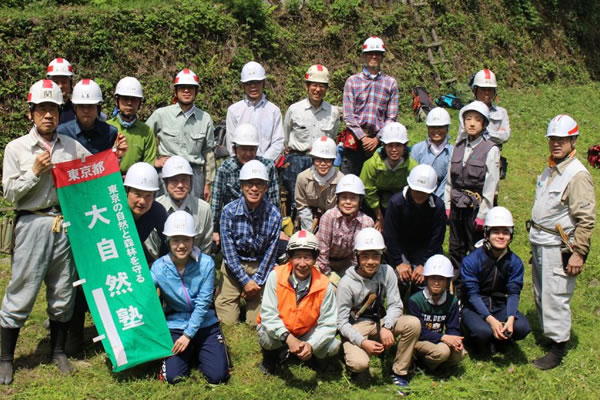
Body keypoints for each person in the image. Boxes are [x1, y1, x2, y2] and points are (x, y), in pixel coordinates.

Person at [1, 80, 91, 384]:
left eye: (53, 109)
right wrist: (34, 172)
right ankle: (5, 358)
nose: (48, 115)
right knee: (22, 289)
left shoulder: (71, 146)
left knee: (63, 289)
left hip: (64, 225)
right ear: (31, 114)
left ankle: (58, 352)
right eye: (42, 109)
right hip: (31, 223)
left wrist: (113, 157)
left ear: (59, 112)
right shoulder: (17, 148)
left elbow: (91, 172)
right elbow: (10, 194)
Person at [529, 115, 595, 370]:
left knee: (556, 294)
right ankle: (549, 334)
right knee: (542, 291)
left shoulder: (577, 175)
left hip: (559, 245)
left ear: (573, 140)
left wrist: (578, 253)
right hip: (540, 240)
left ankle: (558, 348)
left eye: (562, 139)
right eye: (553, 139)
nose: (556, 143)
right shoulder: (550, 169)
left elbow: (586, 219)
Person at [151, 211, 230, 384]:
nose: (181, 245)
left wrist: (188, 335)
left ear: (193, 240)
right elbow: (145, 294)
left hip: (205, 324)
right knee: (173, 378)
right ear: (168, 241)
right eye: (175, 240)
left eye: (186, 239)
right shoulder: (158, 267)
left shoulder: (206, 263)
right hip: (175, 324)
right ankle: (191, 353)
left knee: (218, 377)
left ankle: (197, 350)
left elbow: (203, 303)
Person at [337, 228, 420, 389]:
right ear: (357, 257)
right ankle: (350, 350)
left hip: (379, 321)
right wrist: (362, 342)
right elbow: (341, 322)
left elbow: (396, 304)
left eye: (375, 256)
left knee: (413, 323)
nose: (370, 261)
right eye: (365, 256)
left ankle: (399, 371)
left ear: (381, 256)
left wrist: (387, 326)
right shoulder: (346, 283)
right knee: (360, 364)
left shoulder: (387, 271)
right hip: (356, 326)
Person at [257, 230, 340, 374]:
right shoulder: (275, 275)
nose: (302, 263)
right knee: (266, 336)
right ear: (290, 258)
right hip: (281, 330)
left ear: (314, 259)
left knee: (333, 345)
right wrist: (288, 338)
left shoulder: (325, 284)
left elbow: (328, 323)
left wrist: (311, 345)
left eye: (307, 257)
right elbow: (268, 314)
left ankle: (309, 355)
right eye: (297, 257)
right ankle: (271, 358)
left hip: (307, 331)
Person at [216, 160, 281, 325]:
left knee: (255, 323)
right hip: (233, 266)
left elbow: (271, 253)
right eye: (249, 183)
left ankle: (255, 297)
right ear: (241, 186)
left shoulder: (274, 215)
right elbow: (228, 253)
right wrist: (245, 281)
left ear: (266, 187)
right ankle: (227, 293)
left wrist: (256, 282)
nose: (254, 188)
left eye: (259, 184)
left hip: (260, 266)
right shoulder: (228, 212)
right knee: (228, 321)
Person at [461, 207, 531, 355]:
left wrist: (510, 318)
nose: (501, 236)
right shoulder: (472, 260)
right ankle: (479, 340)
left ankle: (502, 338)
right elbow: (472, 295)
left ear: (511, 235)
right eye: (496, 232)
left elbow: (513, 293)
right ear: (486, 234)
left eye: (505, 232)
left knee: (522, 327)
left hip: (500, 305)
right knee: (482, 332)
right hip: (474, 307)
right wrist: (490, 320)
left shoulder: (515, 262)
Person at [445, 101, 500, 271]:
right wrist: (447, 205)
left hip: (475, 208)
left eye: (477, 119)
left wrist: (483, 214)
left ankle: (474, 291)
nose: (472, 123)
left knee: (476, 249)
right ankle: (457, 289)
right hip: (456, 206)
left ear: (483, 124)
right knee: (455, 248)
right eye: (468, 119)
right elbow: (450, 179)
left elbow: (491, 185)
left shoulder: (490, 149)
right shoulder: (458, 147)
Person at [146, 68, 216, 200]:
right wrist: (153, 161)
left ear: (196, 91)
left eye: (190, 88)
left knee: (193, 215)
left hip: (194, 175)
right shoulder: (161, 114)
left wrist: (208, 183)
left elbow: (209, 153)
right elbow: (144, 138)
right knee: (164, 213)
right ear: (176, 91)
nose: (186, 91)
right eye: (182, 87)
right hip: (167, 174)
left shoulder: (205, 118)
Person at [210, 123, 279, 247]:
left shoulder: (268, 167)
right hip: (234, 222)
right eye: (243, 149)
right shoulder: (225, 168)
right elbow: (216, 200)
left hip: (261, 221)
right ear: (235, 149)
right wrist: (214, 229)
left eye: (251, 149)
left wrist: (278, 228)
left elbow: (274, 200)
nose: (248, 153)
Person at [281, 64, 340, 207]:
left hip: (321, 162)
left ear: (326, 89)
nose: (318, 89)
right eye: (314, 85)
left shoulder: (332, 112)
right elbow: (285, 136)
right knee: (294, 203)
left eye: (322, 86)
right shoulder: (294, 109)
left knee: (320, 201)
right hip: (296, 160)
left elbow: (332, 137)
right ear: (307, 86)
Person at [383, 165, 446, 294]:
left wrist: (425, 264)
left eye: (424, 192)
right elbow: (390, 235)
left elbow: (437, 237)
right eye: (416, 190)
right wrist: (399, 263)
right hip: (401, 248)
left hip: (425, 249)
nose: (420, 195)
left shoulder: (438, 206)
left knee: (424, 279)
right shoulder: (396, 203)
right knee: (400, 278)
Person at [341, 36, 398, 176]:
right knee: (348, 184)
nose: (374, 56)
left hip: (378, 143)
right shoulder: (352, 82)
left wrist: (376, 139)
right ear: (364, 56)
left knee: (374, 187)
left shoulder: (390, 83)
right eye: (370, 53)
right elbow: (348, 115)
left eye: (377, 54)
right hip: (355, 140)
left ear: (382, 57)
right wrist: (363, 138)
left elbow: (391, 117)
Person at [408, 255, 466, 371]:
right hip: (420, 341)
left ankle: (435, 366)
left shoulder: (452, 301)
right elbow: (420, 332)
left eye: (441, 279)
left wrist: (454, 340)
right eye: (433, 278)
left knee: (460, 353)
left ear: (447, 281)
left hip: (439, 340)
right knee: (442, 352)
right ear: (426, 279)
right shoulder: (415, 300)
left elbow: (453, 327)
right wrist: (444, 337)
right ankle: (421, 365)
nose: (436, 283)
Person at [360, 122, 417, 231]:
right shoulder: (371, 165)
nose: (394, 150)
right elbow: (368, 191)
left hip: (400, 203)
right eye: (390, 145)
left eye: (398, 145)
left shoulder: (412, 166)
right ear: (384, 146)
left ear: (404, 146)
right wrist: (379, 216)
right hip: (374, 204)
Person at [150, 156, 212, 254]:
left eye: (184, 180)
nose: (180, 185)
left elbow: (206, 246)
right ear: (165, 183)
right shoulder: (154, 208)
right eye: (174, 180)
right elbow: (152, 249)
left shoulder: (203, 209)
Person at [316, 175, 374, 280]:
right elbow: (322, 252)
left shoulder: (367, 222)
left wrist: (353, 276)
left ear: (360, 201)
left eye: (353, 198)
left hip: (348, 263)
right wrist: (328, 275)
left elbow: (360, 254)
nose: (348, 202)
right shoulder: (329, 217)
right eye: (344, 197)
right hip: (326, 261)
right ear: (337, 199)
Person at [225, 61, 284, 161]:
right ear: (243, 85)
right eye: (249, 83)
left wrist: (263, 161)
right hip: (240, 165)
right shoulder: (234, 111)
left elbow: (278, 142)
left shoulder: (273, 111)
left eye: (257, 82)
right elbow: (231, 142)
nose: (253, 86)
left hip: (266, 164)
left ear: (263, 83)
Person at [57, 79, 126, 155]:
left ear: (98, 108)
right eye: (81, 106)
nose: (86, 110)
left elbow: (112, 162)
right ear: (75, 108)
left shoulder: (110, 133)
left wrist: (119, 154)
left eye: (90, 106)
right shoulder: (62, 132)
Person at [107, 76, 158, 174]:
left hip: (136, 183)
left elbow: (148, 164)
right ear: (117, 101)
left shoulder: (146, 131)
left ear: (139, 103)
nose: (129, 103)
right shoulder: (106, 127)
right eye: (125, 99)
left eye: (134, 99)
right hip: (110, 181)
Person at [295, 136, 344, 231]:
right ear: (313, 160)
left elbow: (341, 210)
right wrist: (310, 230)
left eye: (327, 160)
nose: (322, 164)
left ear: (333, 161)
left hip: (333, 222)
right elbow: (301, 206)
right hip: (308, 219)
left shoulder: (341, 180)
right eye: (318, 160)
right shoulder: (303, 178)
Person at [457, 69, 510, 145]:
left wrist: (482, 132)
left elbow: (505, 137)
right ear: (475, 90)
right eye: (483, 89)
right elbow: (463, 136)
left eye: (490, 89)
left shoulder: (501, 112)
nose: (487, 93)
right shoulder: (465, 110)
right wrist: (496, 134)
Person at [411, 107, 453, 201]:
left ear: (447, 128)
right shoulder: (417, 149)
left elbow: (447, 182)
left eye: (440, 127)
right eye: (433, 127)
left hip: (442, 200)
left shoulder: (452, 152)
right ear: (427, 128)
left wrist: (438, 201)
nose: (436, 131)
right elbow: (412, 176)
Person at [46, 57, 75, 123]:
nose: (60, 86)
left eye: (64, 82)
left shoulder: (77, 112)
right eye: (56, 82)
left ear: (70, 84)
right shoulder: (42, 112)